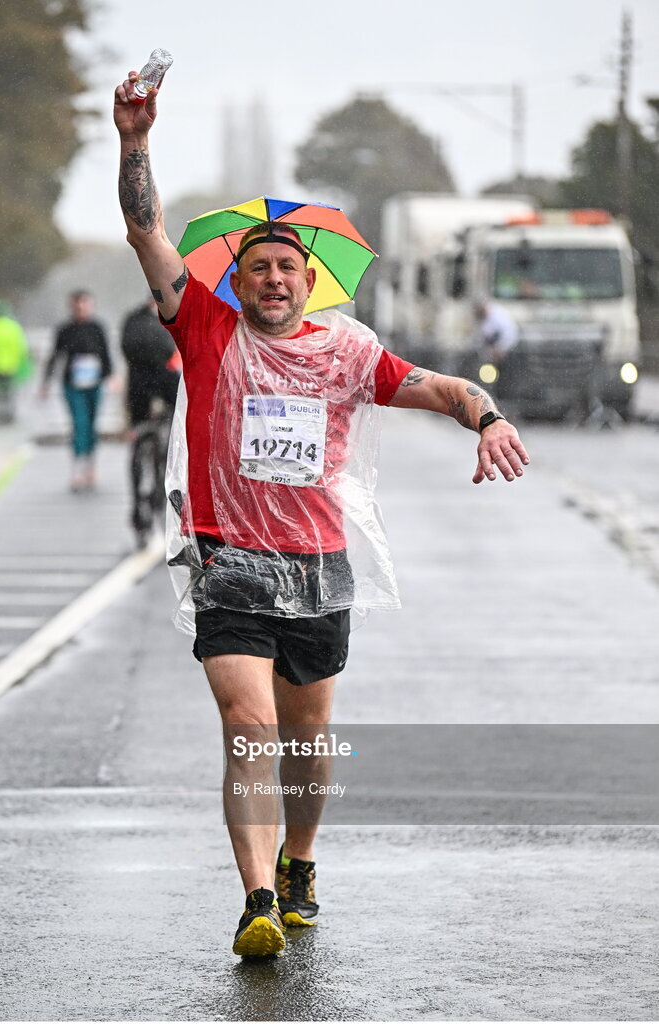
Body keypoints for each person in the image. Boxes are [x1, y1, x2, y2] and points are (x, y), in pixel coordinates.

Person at [114, 69, 530, 958]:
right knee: (250, 726)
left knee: (306, 742)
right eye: (256, 266)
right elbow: (145, 231)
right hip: (227, 559)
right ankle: (257, 897)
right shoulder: (204, 328)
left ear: (311, 280)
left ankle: (299, 862)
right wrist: (134, 140)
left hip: (317, 566)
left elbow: (437, 385)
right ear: (236, 278)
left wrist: (485, 417)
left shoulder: (348, 351)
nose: (271, 278)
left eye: (285, 268)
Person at [120, 295, 182, 539]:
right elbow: (171, 352)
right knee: (175, 438)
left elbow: (125, 350)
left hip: (137, 388)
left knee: (138, 440)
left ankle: (137, 505)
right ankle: (163, 484)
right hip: (166, 384)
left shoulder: (132, 320)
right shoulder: (167, 319)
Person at [41, 289, 113, 492]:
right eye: (77, 304)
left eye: (85, 303)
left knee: (91, 425)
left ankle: (90, 465)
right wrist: (46, 383)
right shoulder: (65, 330)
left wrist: (111, 376)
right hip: (72, 385)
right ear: (71, 306)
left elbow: (105, 354)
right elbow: (55, 356)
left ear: (90, 305)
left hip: (94, 383)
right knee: (79, 423)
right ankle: (78, 468)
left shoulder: (97, 327)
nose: (81, 308)